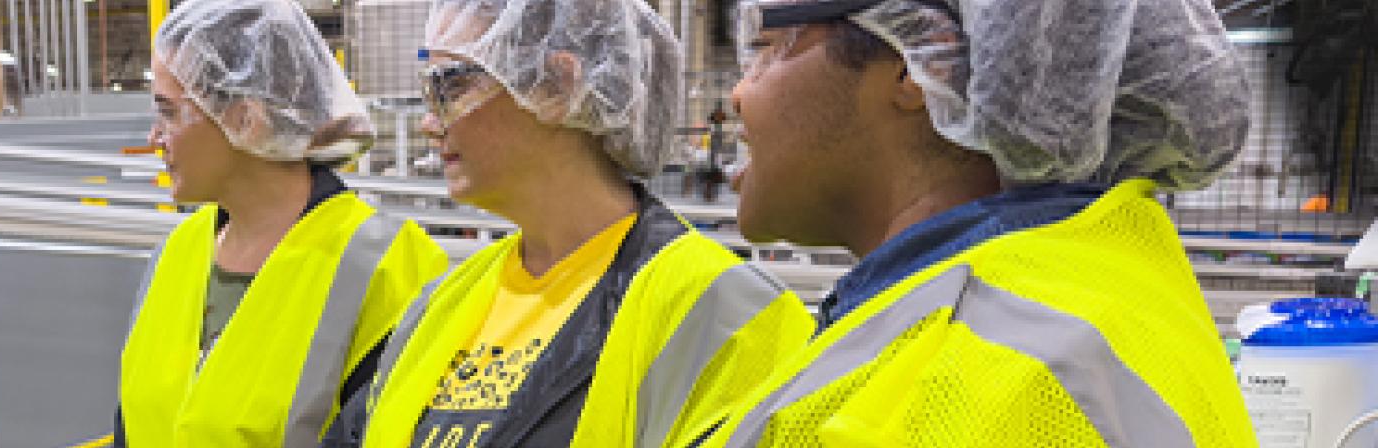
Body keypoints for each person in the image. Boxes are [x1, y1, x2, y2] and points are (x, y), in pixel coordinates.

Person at [701, 0, 1258, 445]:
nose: (739, 92)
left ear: (919, 65)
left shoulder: (971, 378)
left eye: (767, 48)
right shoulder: (1097, 287)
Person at [322, 1, 814, 446]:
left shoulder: (724, 313)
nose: (431, 123)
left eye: (452, 85)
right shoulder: (441, 304)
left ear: (558, 87)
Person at [114, 1, 450, 446]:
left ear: (244, 119)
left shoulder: (389, 267)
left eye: (170, 112)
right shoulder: (175, 255)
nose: (154, 138)